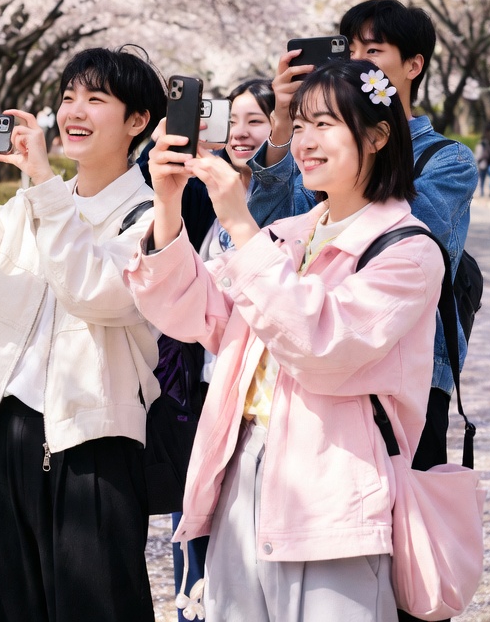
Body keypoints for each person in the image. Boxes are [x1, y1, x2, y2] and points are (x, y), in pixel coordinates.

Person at [125, 58, 444, 622]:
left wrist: (241, 227)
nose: (303, 141)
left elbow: (323, 345)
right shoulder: (286, 237)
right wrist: (168, 203)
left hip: (335, 488)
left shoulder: (408, 251)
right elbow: (201, 315)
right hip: (242, 467)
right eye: (298, 126)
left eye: (324, 124)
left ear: (377, 135)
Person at [0, 46, 167, 622]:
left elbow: (97, 291)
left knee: (97, 605)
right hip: (12, 432)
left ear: (137, 122)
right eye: (68, 97)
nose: (74, 111)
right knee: (8, 605)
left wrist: (47, 186)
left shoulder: (150, 215)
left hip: (97, 445)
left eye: (96, 99)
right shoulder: (25, 208)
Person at [248, 0, 477, 477]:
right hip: (309, 351)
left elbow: (397, 242)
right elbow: (271, 236)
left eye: (371, 51)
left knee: (394, 518)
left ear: (414, 65)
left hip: (396, 372)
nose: (354, 63)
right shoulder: (317, 153)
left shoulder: (447, 161)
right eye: (347, 50)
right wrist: (287, 125)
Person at [138, 78, 276, 620]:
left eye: (258, 122)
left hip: (256, 396)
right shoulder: (200, 192)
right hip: (198, 387)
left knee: (249, 539)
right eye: (231, 121)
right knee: (192, 523)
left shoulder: (290, 197)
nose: (241, 134)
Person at [475, 130, 490, 197]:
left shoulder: (480, 145)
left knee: (482, 179)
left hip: (483, 164)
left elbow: (478, 156)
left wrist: (477, 162)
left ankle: (482, 191)